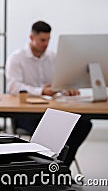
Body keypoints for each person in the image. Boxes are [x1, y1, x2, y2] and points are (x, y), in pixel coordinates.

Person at [5, 20, 92, 167]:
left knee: (84, 124)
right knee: (57, 129)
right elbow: (14, 87)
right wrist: (41, 91)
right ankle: (50, 169)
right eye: (42, 40)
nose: (45, 44)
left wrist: (68, 88)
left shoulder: (53, 57)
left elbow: (60, 82)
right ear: (31, 38)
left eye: (48, 40)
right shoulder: (17, 58)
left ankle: (60, 169)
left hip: (52, 111)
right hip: (26, 113)